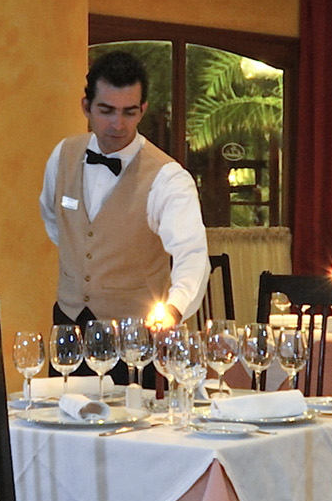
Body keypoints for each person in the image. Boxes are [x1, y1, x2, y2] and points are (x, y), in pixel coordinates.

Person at [42, 53, 208, 347]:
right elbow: (55, 221)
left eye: (129, 112)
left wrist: (174, 309)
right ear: (86, 107)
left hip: (136, 335)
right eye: (106, 111)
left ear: (142, 110)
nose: (118, 124)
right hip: (68, 324)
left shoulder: (167, 177)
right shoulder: (62, 155)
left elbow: (192, 254)